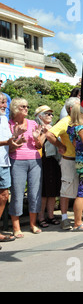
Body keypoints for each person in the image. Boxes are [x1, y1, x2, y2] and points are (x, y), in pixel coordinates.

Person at [8, 98, 45, 237]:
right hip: (17, 161)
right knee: (17, 194)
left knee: (35, 193)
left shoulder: (33, 123)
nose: (26, 108)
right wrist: (16, 137)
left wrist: (36, 138)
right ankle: (16, 227)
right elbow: (9, 148)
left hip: (35, 160)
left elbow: (39, 146)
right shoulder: (9, 124)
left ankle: (33, 224)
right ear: (15, 108)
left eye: (27, 106)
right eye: (23, 106)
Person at [46, 97, 80, 230]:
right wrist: (61, 145)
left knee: (79, 189)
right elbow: (50, 134)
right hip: (69, 160)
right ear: (71, 108)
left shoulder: (79, 120)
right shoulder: (65, 121)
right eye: (79, 105)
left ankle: (78, 213)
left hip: (80, 160)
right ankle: (65, 218)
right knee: (66, 190)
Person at [35, 106, 61, 228]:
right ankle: (40, 217)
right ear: (40, 116)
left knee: (52, 190)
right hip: (41, 160)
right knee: (44, 191)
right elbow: (38, 144)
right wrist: (46, 133)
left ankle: (50, 215)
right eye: (47, 114)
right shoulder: (36, 128)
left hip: (53, 160)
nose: (51, 116)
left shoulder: (53, 127)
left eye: (51, 114)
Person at [0, 94, 19, 245]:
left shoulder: (4, 119)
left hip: (4, 162)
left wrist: (16, 140)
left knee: (4, 196)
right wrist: (7, 141)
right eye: (2, 102)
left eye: (5, 102)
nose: (5, 106)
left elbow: (8, 143)